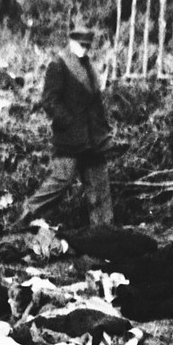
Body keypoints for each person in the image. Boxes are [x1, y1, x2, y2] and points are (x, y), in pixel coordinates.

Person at [13, 26, 114, 228]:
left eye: (87, 46)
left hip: (93, 139)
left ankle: (104, 230)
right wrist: (68, 122)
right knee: (60, 181)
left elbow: (96, 103)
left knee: (99, 185)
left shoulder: (88, 66)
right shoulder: (58, 65)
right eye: (81, 45)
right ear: (71, 42)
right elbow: (49, 101)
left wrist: (104, 131)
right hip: (71, 138)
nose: (84, 49)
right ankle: (24, 215)